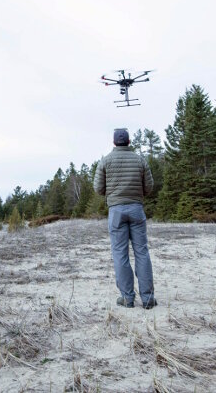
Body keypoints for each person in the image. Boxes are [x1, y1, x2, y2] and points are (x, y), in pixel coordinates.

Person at [93, 128, 157, 309]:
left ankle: (128, 298)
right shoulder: (140, 160)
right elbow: (149, 186)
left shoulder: (105, 161)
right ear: (129, 142)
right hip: (137, 209)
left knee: (120, 255)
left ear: (114, 142)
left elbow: (98, 188)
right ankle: (148, 298)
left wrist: (113, 194)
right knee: (142, 252)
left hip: (116, 211)